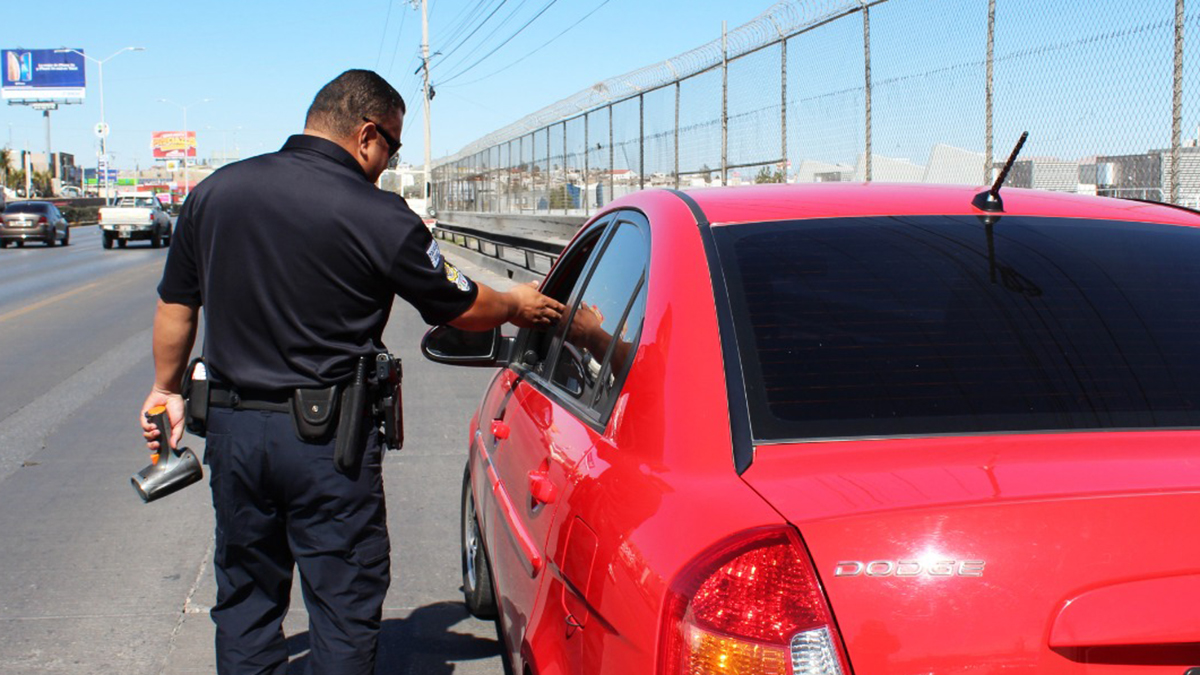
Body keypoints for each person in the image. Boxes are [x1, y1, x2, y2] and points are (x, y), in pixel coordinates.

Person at [139, 69, 564, 675]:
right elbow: (462, 305)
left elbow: (177, 304)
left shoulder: (215, 193)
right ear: (367, 134)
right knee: (342, 603)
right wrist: (518, 304)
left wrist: (164, 390)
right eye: (390, 147)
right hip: (326, 444)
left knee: (245, 599)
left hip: (233, 434)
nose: (387, 164)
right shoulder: (378, 215)